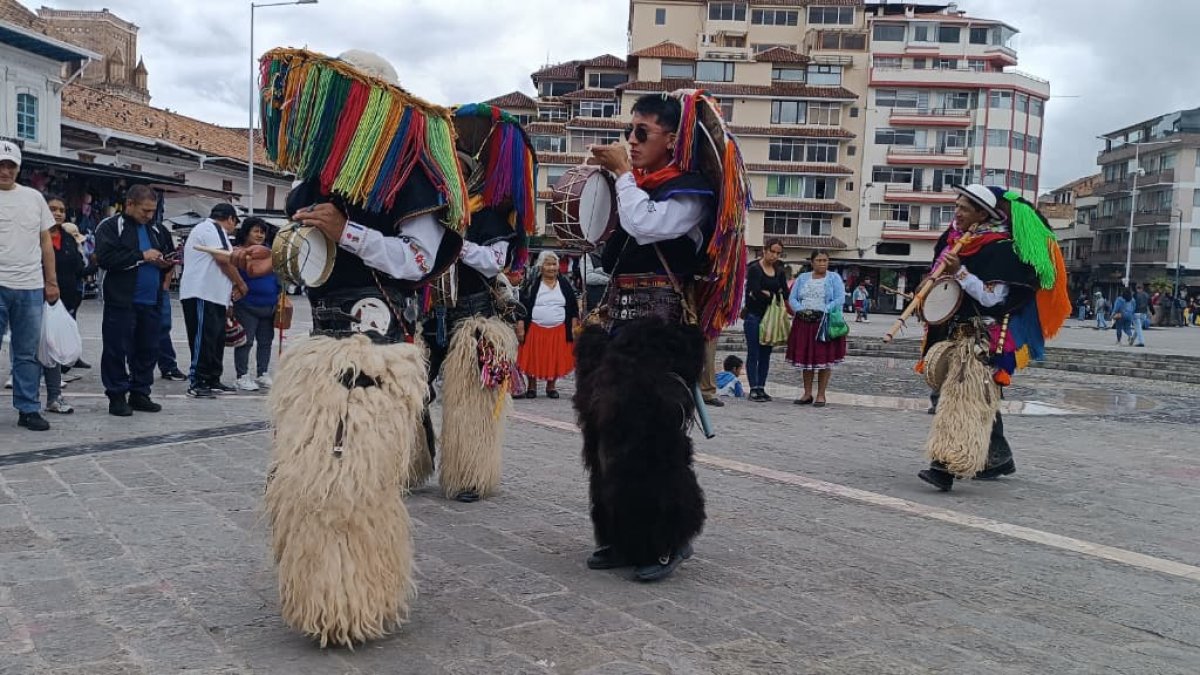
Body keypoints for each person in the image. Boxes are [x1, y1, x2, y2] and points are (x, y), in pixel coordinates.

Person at [253, 47, 467, 647]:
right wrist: (278, 257)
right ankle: (320, 595)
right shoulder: (312, 184)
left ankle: (355, 599)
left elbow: (417, 262)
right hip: (320, 350)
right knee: (302, 479)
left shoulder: (413, 176)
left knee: (354, 484)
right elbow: (312, 263)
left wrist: (349, 232)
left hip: (378, 354)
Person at [574, 91, 748, 582]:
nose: (631, 140)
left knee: (652, 440)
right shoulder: (640, 187)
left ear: (673, 139)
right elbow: (612, 250)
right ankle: (620, 535)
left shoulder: (690, 192)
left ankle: (667, 537)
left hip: (661, 331)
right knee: (603, 436)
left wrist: (625, 180)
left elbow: (646, 226)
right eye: (630, 131)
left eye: (642, 132)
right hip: (618, 326)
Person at [415, 103, 534, 503]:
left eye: (462, 171)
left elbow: (494, 261)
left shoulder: (493, 216)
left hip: (473, 313)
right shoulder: (430, 208)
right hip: (429, 310)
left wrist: (453, 244)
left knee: (470, 401)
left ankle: (469, 474)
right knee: (412, 391)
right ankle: (411, 462)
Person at [916, 184, 1069, 492]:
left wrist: (960, 273)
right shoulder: (954, 243)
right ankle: (997, 457)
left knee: (961, 403)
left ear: (981, 215)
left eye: (964, 208)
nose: (956, 212)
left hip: (979, 338)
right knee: (973, 399)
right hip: (952, 333)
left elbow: (992, 299)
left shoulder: (1001, 249)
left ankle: (945, 467)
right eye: (956, 206)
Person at [94, 184, 173, 417]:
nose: (149, 216)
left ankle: (140, 392)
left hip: (151, 299)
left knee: (148, 348)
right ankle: (117, 395)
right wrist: (141, 256)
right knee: (116, 348)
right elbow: (105, 258)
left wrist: (166, 262)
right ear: (129, 204)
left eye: (152, 211)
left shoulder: (157, 230)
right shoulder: (110, 227)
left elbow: (165, 254)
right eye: (144, 211)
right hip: (121, 300)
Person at [0, 140, 59, 431]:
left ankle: (28, 408)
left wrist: (51, 282)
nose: (5, 170)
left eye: (10, 165)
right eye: (1, 165)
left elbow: (46, 241)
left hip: (30, 286)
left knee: (26, 352)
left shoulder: (34, 198)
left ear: (18, 169)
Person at [179, 203, 246, 398]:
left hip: (216, 295)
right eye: (235, 222)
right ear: (231, 218)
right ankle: (197, 380)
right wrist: (240, 283)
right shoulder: (210, 228)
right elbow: (223, 260)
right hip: (201, 292)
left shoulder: (220, 233)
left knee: (216, 339)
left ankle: (212, 378)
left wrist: (229, 300)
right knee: (203, 338)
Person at [41, 196, 91, 415]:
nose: (58, 213)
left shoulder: (68, 239)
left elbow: (79, 270)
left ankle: (54, 396)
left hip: (65, 301)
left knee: (54, 349)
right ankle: (26, 391)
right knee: (32, 347)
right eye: (52, 209)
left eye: (61, 209)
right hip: (37, 298)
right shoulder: (36, 236)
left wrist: (96, 259)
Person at [786, 250, 847, 407]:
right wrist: (800, 310)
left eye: (825, 260)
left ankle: (821, 394)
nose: (822, 263)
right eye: (819, 260)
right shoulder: (802, 278)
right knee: (807, 359)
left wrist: (826, 309)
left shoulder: (834, 278)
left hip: (824, 322)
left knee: (824, 359)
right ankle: (807, 393)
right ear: (812, 262)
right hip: (804, 322)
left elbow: (840, 298)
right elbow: (792, 298)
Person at [516, 251, 578, 398]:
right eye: (548, 264)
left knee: (554, 357)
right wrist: (520, 326)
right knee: (532, 357)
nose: (552, 268)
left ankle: (551, 387)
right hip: (535, 328)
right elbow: (522, 307)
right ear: (541, 267)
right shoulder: (531, 284)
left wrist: (574, 327)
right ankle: (532, 387)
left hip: (559, 329)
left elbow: (573, 307)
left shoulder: (565, 284)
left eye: (554, 264)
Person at [231, 218, 279, 391]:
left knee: (266, 341)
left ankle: (262, 373)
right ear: (246, 232)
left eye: (262, 232)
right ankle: (242, 376)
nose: (260, 235)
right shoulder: (237, 253)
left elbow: (278, 276)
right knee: (246, 341)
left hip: (270, 305)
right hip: (247, 305)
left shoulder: (270, 253)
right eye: (256, 231)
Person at [742, 239, 787, 402]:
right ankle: (753, 387)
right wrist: (766, 294)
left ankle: (761, 386)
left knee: (766, 353)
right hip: (754, 316)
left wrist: (769, 294)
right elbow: (754, 292)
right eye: (772, 251)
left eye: (778, 253)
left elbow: (785, 292)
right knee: (753, 352)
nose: (774, 255)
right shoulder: (754, 269)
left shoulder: (779, 270)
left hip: (771, 318)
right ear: (765, 250)